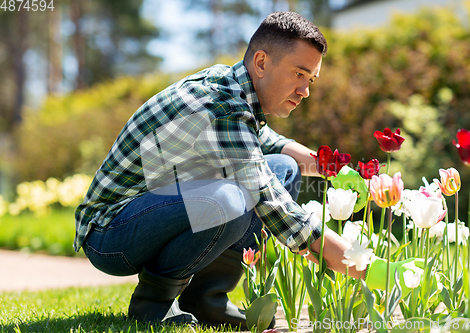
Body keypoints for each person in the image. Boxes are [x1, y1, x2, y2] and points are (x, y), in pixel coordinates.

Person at [74, 11, 428, 330]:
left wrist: (340, 172)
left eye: (311, 79)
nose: (305, 91)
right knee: (233, 197)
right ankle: (153, 307)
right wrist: (366, 266)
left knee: (284, 168)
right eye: (299, 74)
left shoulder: (232, 85)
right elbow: (274, 206)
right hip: (110, 234)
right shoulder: (221, 105)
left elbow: (269, 143)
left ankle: (205, 301)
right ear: (261, 62)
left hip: (149, 215)